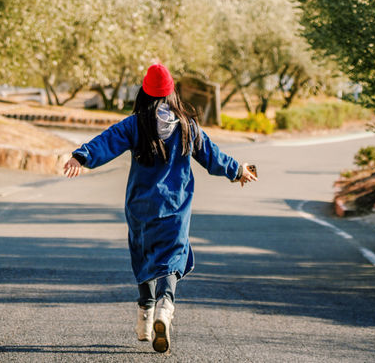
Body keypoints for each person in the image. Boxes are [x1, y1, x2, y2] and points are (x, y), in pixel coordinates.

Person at [63, 62, 257, 354]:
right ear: (172, 93)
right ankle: (166, 308)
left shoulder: (135, 124)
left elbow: (107, 141)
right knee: (171, 258)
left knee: (143, 257)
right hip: (175, 207)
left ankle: (145, 316)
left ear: (144, 91)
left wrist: (82, 157)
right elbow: (212, 155)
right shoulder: (187, 126)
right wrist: (237, 170)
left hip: (141, 207)